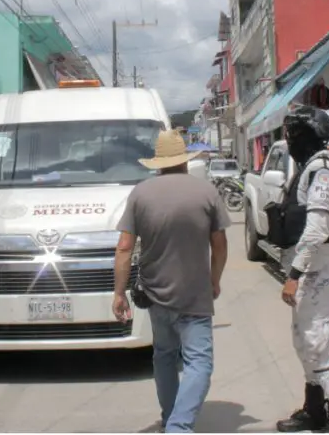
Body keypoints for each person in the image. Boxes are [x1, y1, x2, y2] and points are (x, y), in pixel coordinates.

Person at [112, 129, 230, 433]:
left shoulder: (140, 193)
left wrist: (119, 293)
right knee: (199, 362)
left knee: (164, 356)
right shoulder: (206, 192)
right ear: (185, 161)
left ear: (159, 163)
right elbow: (220, 245)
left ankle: (170, 418)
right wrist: (214, 280)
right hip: (194, 295)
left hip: (155, 294)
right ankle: (178, 425)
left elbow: (124, 248)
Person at [275, 106, 329, 433]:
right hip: (311, 264)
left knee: (320, 339)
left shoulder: (321, 171)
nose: (288, 141)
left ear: (306, 137)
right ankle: (314, 410)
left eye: (292, 135)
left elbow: (318, 229)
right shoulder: (309, 167)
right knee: (305, 339)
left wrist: (294, 275)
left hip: (319, 265)